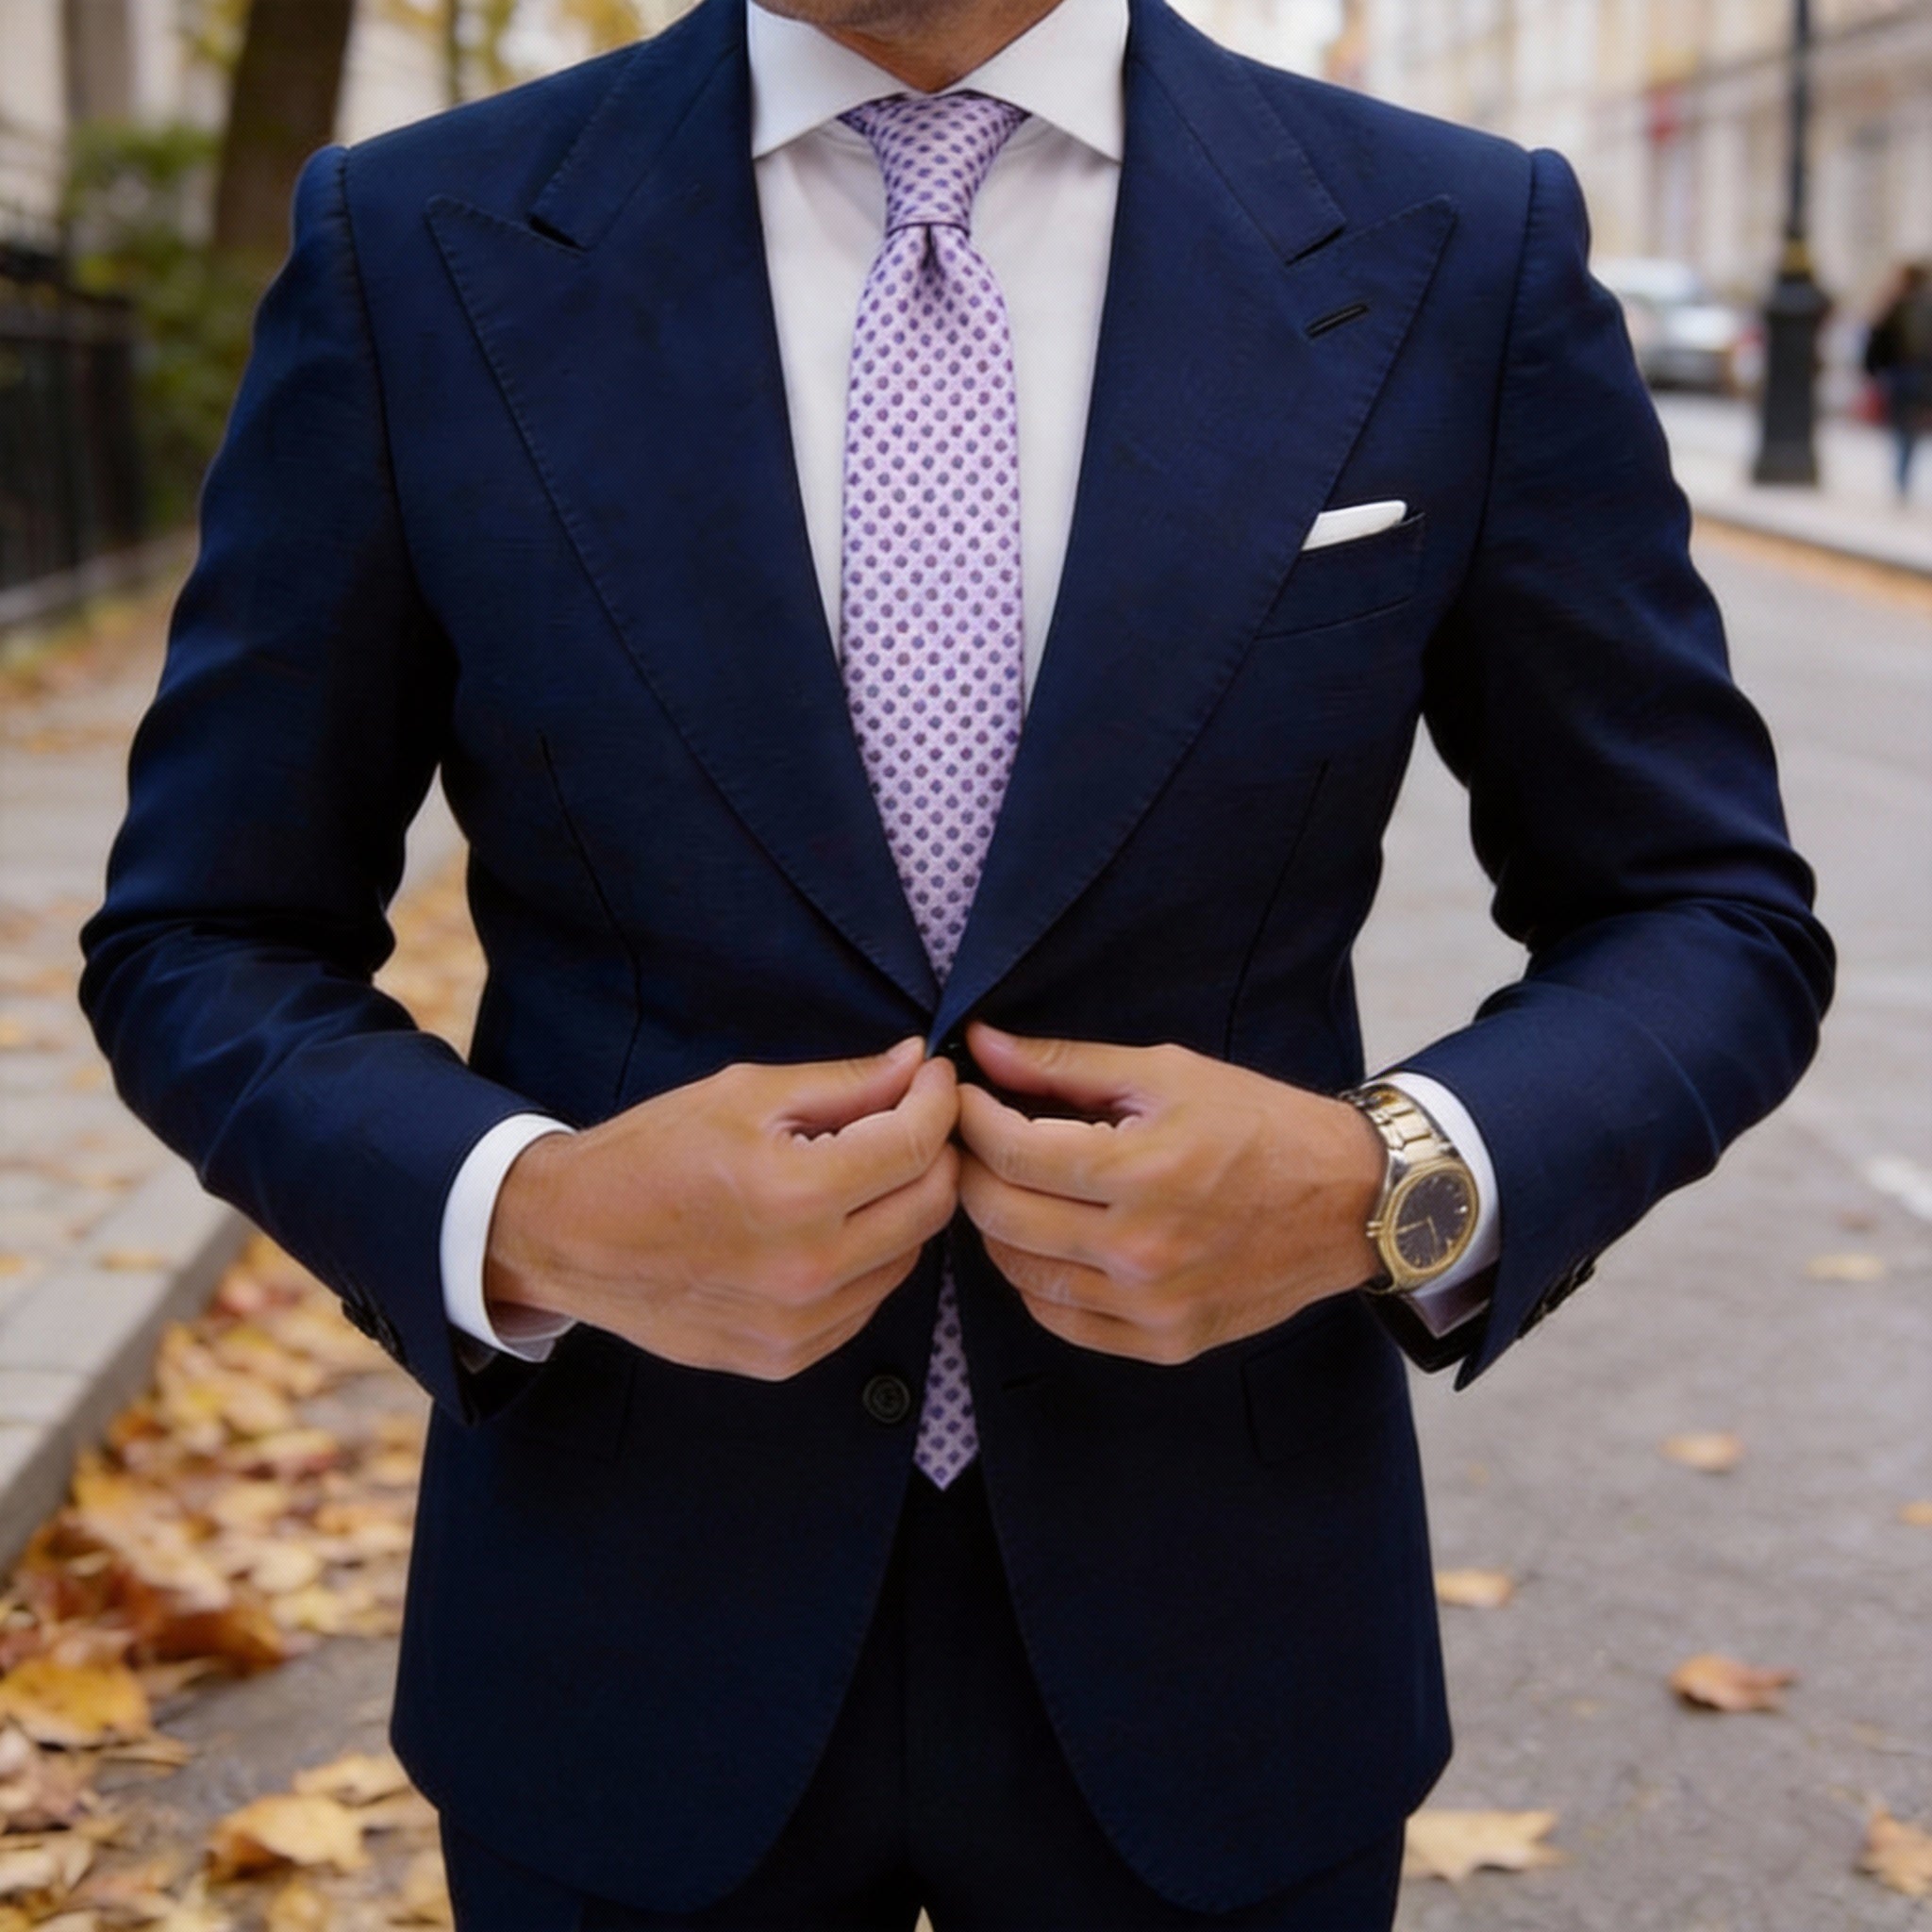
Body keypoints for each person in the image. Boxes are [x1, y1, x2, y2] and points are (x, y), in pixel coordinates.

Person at [79, 0, 1832, 1922]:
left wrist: (1379, 1183)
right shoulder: (417, 240)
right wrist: (535, 1214)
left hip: (1224, 1641)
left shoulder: (1448, 239)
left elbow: (1701, 912)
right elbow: (205, 932)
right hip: (622, 1636)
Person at [1865, 261, 1932, 503]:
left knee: (1901, 427)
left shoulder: (1895, 305)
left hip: (1900, 375)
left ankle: (1901, 477)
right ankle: (1904, 475)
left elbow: (1877, 341)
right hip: (1921, 376)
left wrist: (1873, 371)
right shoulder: (1923, 306)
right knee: (1911, 427)